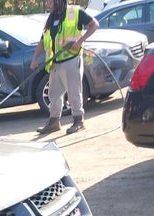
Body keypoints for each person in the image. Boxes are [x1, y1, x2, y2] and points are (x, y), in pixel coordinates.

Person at [30, 0, 98, 135]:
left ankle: (79, 121)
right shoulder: (50, 19)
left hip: (71, 59)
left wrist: (80, 41)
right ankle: (54, 122)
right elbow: (43, 41)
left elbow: (94, 25)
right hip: (55, 62)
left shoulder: (75, 12)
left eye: (50, 1)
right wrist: (34, 59)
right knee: (53, 94)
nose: (48, 4)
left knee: (74, 92)